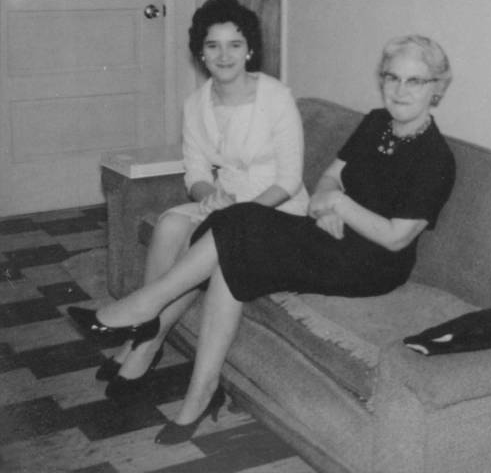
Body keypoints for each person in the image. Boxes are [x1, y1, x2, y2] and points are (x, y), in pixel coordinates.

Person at [68, 34, 456, 445]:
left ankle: (145, 308)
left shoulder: (436, 157)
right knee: (238, 230)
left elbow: (396, 238)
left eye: (415, 81)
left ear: (437, 88)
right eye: (392, 77)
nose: (400, 90)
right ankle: (200, 388)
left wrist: (339, 205)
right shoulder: (377, 122)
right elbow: (329, 178)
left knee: (238, 235)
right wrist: (325, 203)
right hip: (329, 235)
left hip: (371, 264)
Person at [95, 0, 308, 399]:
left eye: (235, 44)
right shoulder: (196, 105)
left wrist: (241, 214)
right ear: (200, 53)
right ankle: (146, 335)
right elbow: (194, 171)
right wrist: (209, 195)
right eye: (213, 45)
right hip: (226, 201)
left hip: (278, 207)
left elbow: (291, 179)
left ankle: (144, 343)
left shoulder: (276, 97)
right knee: (171, 223)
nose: (224, 56)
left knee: (202, 233)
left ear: (250, 50)